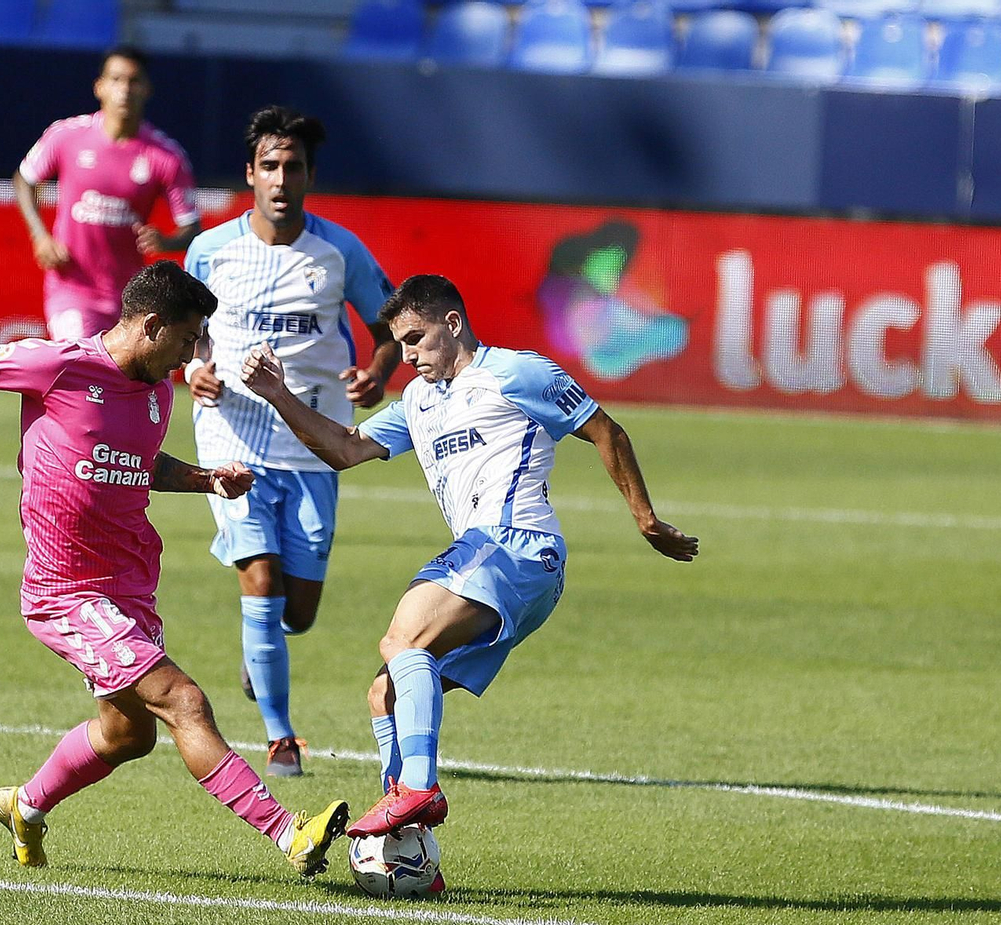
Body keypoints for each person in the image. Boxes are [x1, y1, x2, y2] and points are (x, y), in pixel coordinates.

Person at [0, 261, 348, 876]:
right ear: (154, 326)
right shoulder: (59, 365)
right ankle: (288, 832)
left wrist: (206, 479)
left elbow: (140, 463)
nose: (192, 357)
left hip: (130, 584)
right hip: (68, 592)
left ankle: (25, 806)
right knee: (184, 701)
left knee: (129, 736)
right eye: (188, 340)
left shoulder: (158, 390)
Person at [240, 273, 698, 836]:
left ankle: (418, 790)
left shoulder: (516, 372)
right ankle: (406, 843)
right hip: (496, 562)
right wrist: (278, 395)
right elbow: (343, 448)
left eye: (415, 339)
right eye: (400, 344)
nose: (406, 356)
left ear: (452, 324)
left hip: (517, 545)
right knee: (386, 692)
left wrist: (645, 518)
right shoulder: (418, 399)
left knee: (403, 639)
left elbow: (606, 430)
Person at [184, 105, 401, 779]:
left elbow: (391, 327)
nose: (281, 178)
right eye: (270, 166)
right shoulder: (211, 251)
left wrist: (376, 373)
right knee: (261, 576)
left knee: (298, 613)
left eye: (294, 167)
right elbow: (184, 328)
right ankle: (280, 736)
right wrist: (195, 367)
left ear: (309, 176)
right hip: (233, 435)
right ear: (250, 174)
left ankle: (261, 654)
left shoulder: (340, 253)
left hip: (313, 442)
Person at [13, 46, 200, 342]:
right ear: (99, 87)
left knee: (125, 383)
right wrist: (40, 237)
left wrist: (167, 241)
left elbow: (192, 227)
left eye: (134, 81)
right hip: (72, 288)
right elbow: (24, 180)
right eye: (116, 79)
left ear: (147, 89)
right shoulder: (67, 135)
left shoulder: (166, 156)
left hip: (131, 298)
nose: (124, 90)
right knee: (78, 361)